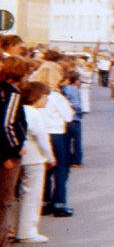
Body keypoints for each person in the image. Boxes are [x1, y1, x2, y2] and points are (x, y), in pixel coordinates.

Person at [32, 61, 73, 219]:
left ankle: (45, 201)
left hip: (39, 133)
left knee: (45, 168)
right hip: (56, 133)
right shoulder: (56, 96)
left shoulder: (34, 95)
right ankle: (59, 202)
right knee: (60, 168)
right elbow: (68, 116)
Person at [15, 81, 55, 244]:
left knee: (23, 194)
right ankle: (27, 231)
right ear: (38, 96)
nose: (46, 100)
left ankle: (22, 229)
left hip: (22, 156)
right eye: (45, 97)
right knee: (32, 196)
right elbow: (42, 139)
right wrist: (51, 157)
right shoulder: (34, 113)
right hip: (34, 157)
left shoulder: (21, 110)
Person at [0, 56, 29, 247]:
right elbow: (7, 124)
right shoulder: (12, 93)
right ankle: (1, 242)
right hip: (6, 156)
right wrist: (11, 151)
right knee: (4, 200)